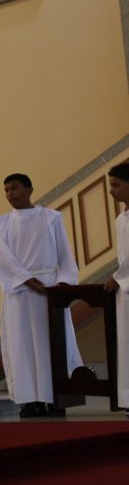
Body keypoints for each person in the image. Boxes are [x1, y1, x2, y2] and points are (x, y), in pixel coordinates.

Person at [0, 173, 83, 418]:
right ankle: (30, 399)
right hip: (20, 293)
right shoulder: (1, 223)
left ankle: (56, 397)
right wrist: (27, 280)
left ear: (29, 189)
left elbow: (65, 254)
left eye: (15, 188)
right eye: (7, 190)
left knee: (52, 344)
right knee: (22, 345)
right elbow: (2, 259)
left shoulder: (51, 218)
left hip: (50, 291)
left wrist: (63, 283)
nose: (10, 194)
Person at [105, 162, 129, 414]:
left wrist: (118, 276)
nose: (111, 191)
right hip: (126, 291)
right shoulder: (120, 219)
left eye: (116, 185)